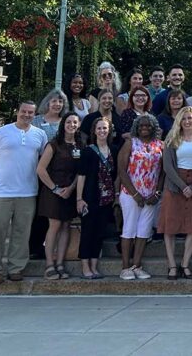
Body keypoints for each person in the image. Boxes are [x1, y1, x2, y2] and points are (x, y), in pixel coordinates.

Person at [0, 101, 48, 284]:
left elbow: (42, 158)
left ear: (34, 114)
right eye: (24, 111)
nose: (27, 115)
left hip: (28, 191)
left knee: (22, 233)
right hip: (2, 192)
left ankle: (16, 268)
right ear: (17, 111)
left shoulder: (40, 134)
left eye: (30, 112)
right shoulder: (2, 132)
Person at [158, 106, 192, 279]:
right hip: (174, 185)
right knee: (170, 226)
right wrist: (182, 186)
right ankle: (172, 265)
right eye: (184, 118)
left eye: (190, 118)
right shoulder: (172, 140)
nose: (187, 121)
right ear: (179, 121)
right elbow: (167, 167)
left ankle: (185, 263)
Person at [116, 114, 164, 280]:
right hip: (131, 194)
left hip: (150, 195)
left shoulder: (160, 145)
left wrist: (157, 193)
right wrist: (135, 194)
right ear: (136, 127)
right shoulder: (130, 143)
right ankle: (125, 267)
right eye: (141, 125)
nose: (145, 128)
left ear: (154, 128)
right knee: (129, 229)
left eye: (148, 126)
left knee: (143, 231)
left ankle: (137, 265)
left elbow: (162, 172)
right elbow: (121, 170)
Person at [35, 111, 82, 280]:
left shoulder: (80, 145)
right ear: (64, 124)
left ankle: (61, 263)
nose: (72, 125)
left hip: (70, 190)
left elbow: (81, 171)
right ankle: (50, 264)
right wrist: (55, 188)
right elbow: (40, 169)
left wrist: (71, 188)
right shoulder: (54, 144)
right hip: (53, 190)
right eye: (69, 122)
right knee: (54, 226)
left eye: (75, 123)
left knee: (65, 227)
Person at [75, 116, 115, 279]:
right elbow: (81, 176)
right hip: (90, 197)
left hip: (106, 198)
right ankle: (85, 267)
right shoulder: (88, 151)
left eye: (105, 128)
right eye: (99, 128)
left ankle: (94, 265)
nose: (102, 131)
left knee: (99, 233)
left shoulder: (114, 149)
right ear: (94, 131)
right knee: (87, 232)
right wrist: (79, 198)